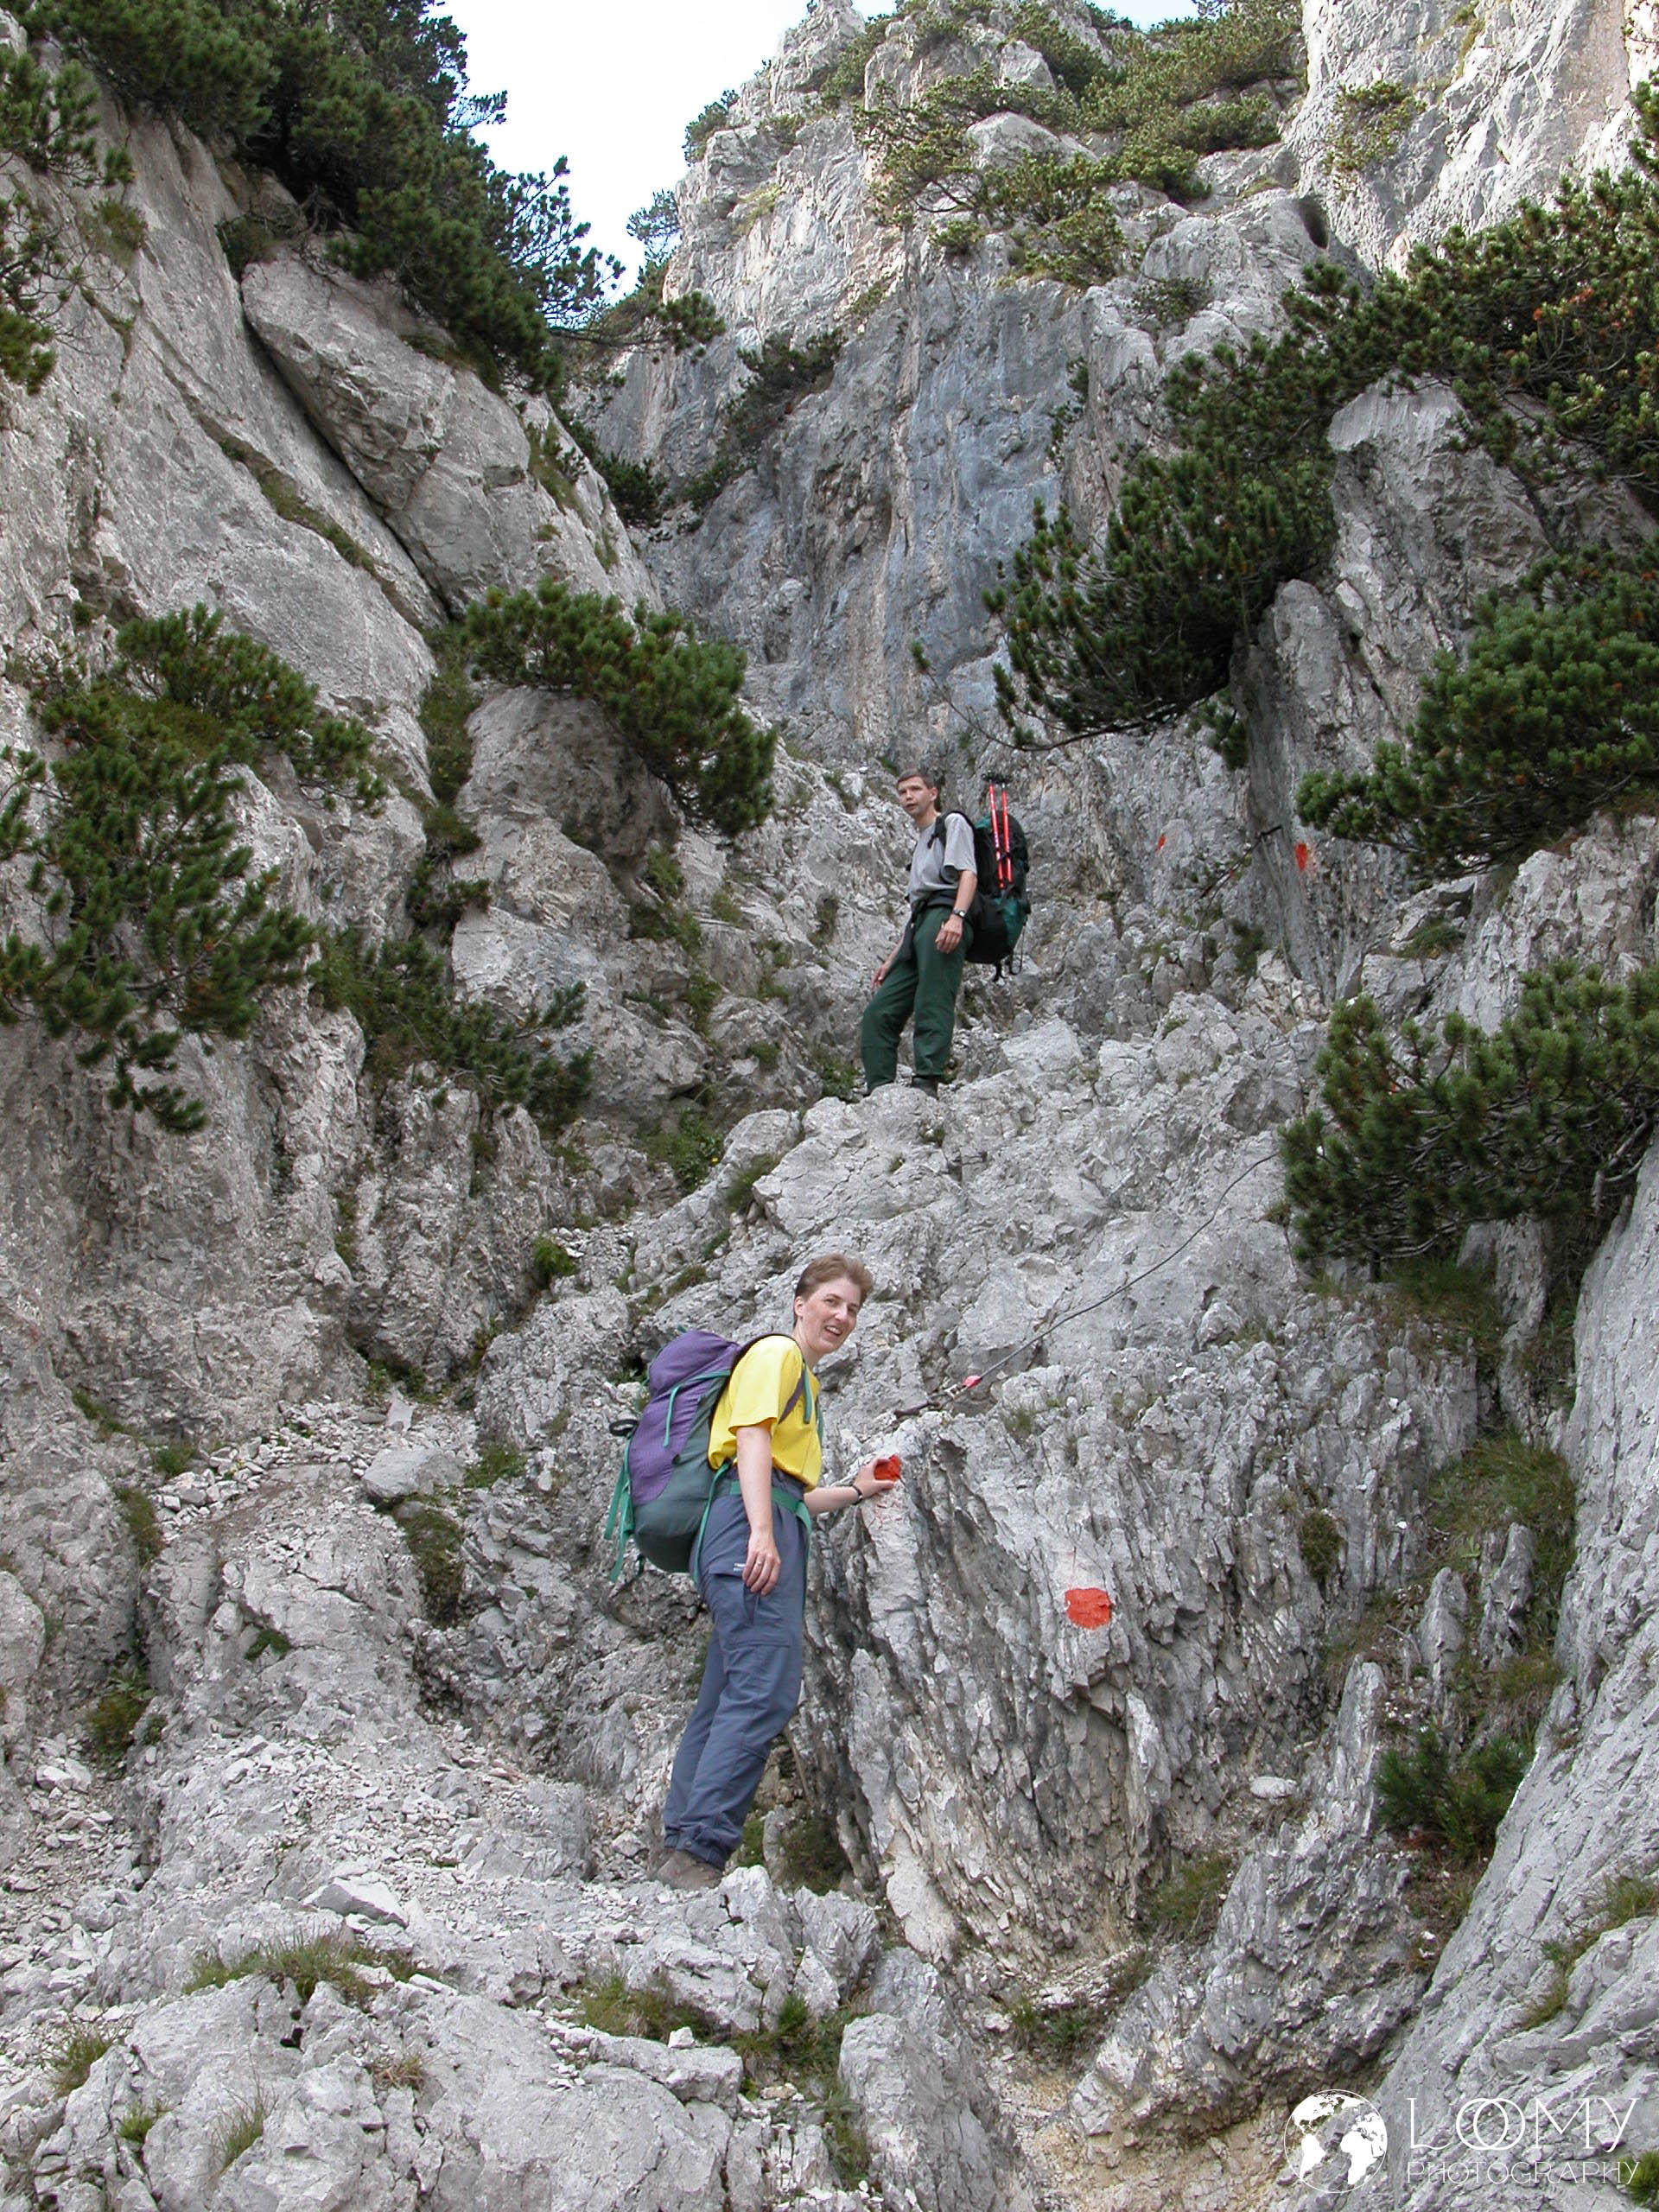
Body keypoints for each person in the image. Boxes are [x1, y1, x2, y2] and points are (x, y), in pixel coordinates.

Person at [658, 1254, 893, 1891]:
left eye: (852, 1309)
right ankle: (700, 1853)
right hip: (748, 1525)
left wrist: (854, 1491)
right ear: (799, 1302)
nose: (841, 1317)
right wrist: (761, 1532)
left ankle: (680, 1845)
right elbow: (751, 1440)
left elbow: (795, 1493)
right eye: (831, 1302)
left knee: (729, 1689)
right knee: (765, 1686)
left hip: (765, 1519)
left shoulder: (806, 1384)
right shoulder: (777, 1357)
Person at [859, 757, 977, 1096]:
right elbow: (916, 910)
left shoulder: (951, 824)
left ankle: (927, 1081)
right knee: (879, 1012)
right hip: (921, 925)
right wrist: (892, 959)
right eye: (901, 792)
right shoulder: (922, 839)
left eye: (915, 789)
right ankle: (879, 1090)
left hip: (945, 915)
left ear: (933, 793)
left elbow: (968, 873)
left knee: (933, 997)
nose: (907, 797)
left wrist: (957, 917)